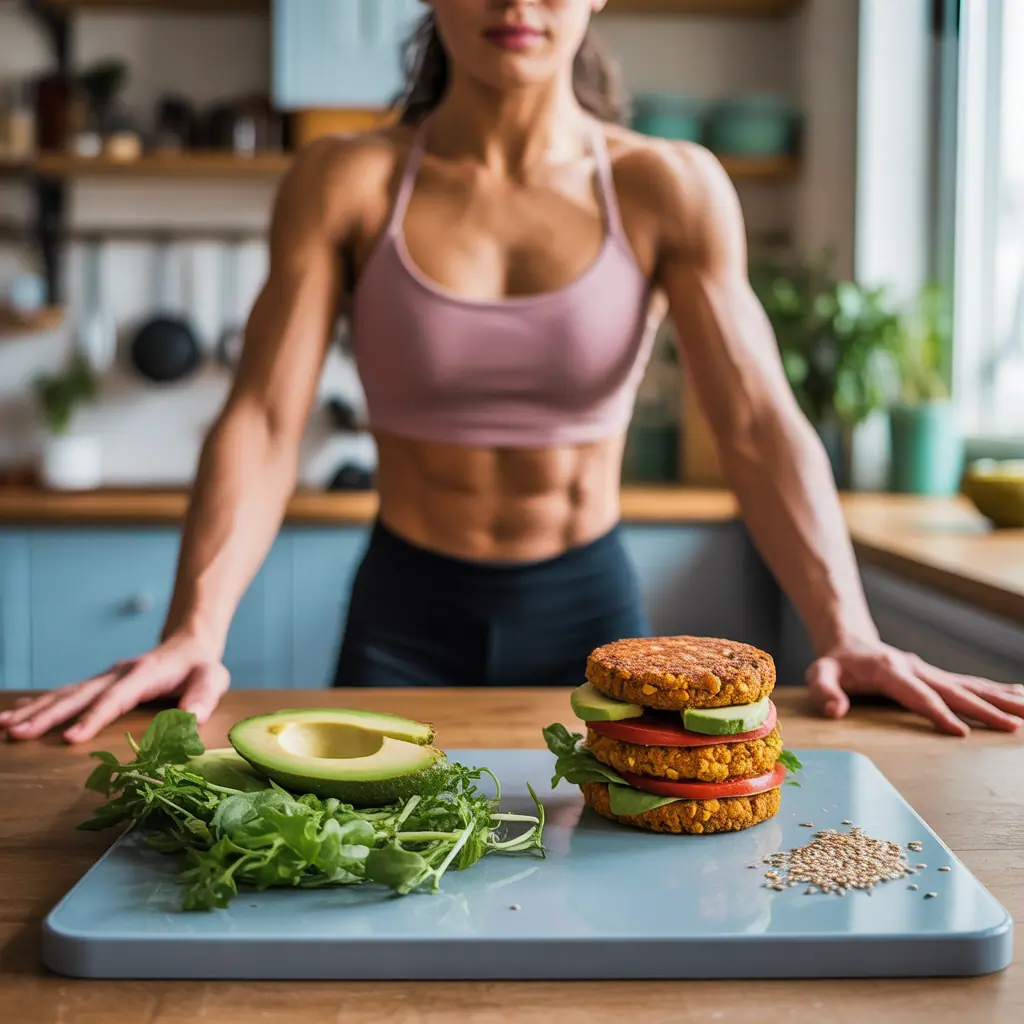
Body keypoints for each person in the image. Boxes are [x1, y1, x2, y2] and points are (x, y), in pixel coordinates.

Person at [3, 0, 1022, 745]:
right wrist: (195, 627)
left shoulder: (665, 185)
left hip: (594, 614)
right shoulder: (346, 180)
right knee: (373, 892)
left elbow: (757, 423)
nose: (515, 1)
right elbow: (264, 419)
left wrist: (846, 630)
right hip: (403, 614)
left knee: (614, 895)